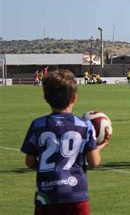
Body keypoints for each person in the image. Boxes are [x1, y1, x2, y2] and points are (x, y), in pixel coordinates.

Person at [21, 69, 108, 214]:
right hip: (76, 195)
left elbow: (29, 162)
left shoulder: (38, 124)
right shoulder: (84, 125)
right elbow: (94, 162)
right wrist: (100, 146)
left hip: (46, 196)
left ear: (45, 98)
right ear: (74, 98)